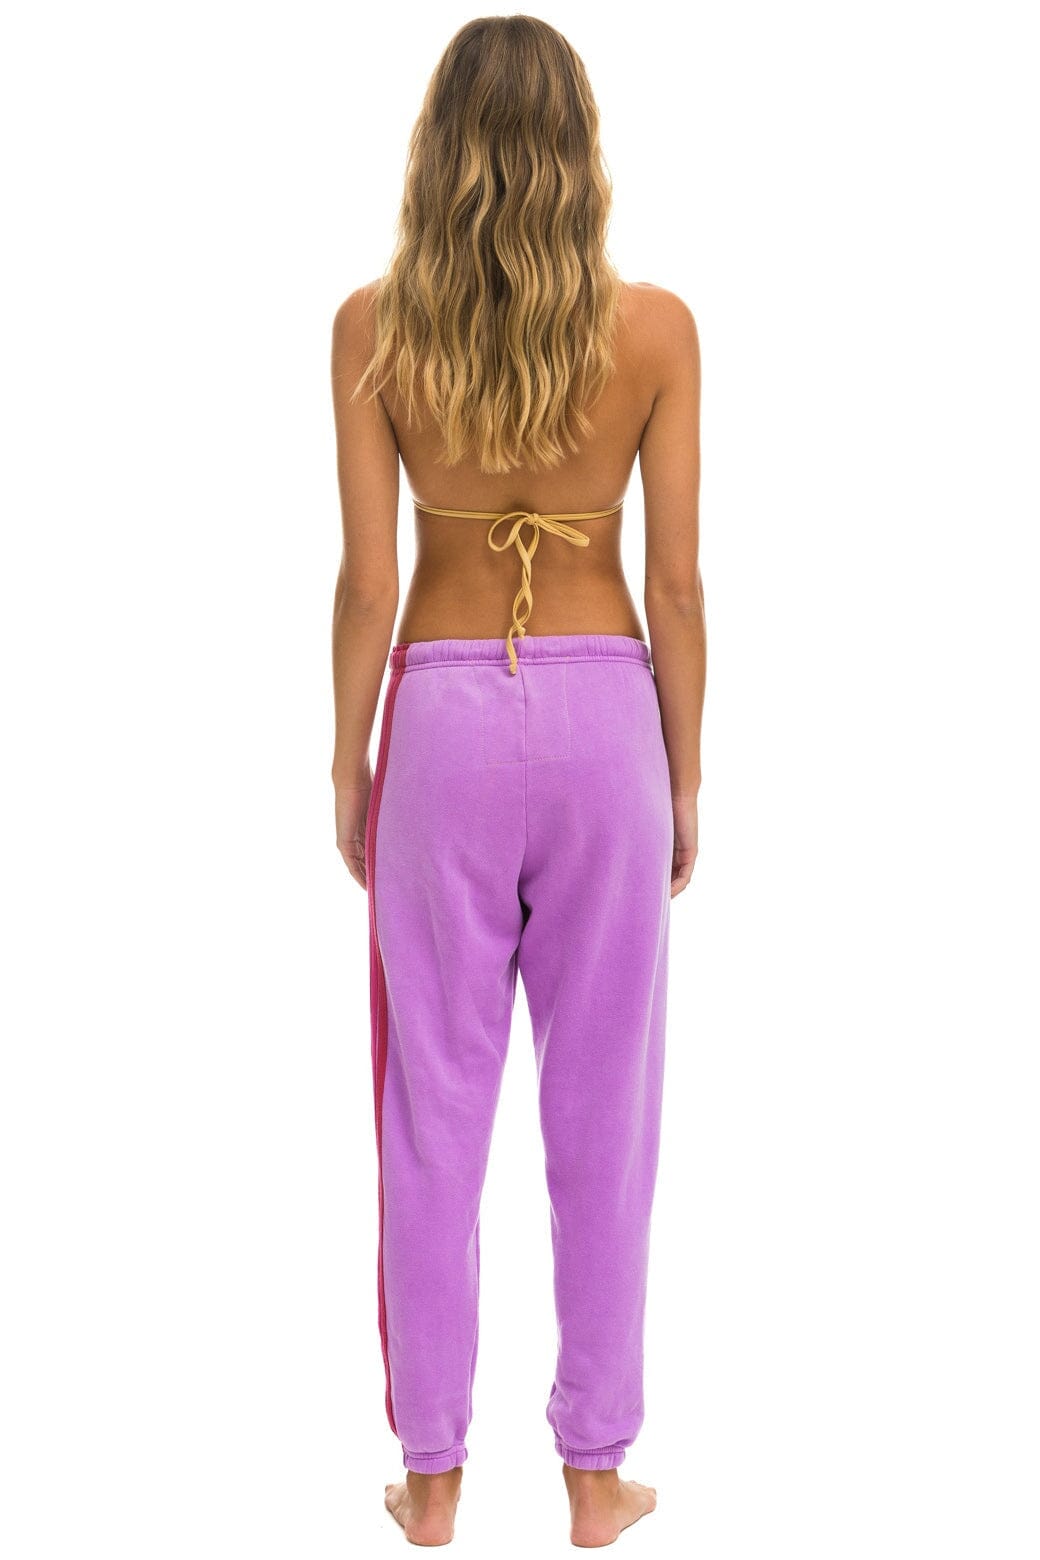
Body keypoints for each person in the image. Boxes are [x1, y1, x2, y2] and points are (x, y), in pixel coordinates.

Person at [330, 15, 705, 1548]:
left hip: (439, 726)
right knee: (605, 1115)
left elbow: (370, 583)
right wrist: (689, 774)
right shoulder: (656, 334)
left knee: (434, 1109)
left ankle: (432, 1479)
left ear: (439, 152)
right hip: (611, 722)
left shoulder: (373, 331)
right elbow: (673, 583)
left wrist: (346, 760)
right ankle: (595, 1480)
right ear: (578, 152)